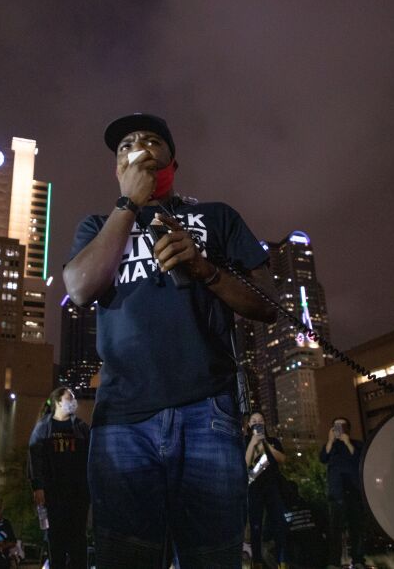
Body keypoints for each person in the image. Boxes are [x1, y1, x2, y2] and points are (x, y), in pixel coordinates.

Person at [63, 113, 279, 567]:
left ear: (172, 162)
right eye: (125, 145)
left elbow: (268, 303)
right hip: (123, 419)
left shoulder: (215, 217)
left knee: (210, 556)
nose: (138, 146)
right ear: (117, 168)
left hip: (209, 411)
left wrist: (206, 270)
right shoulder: (98, 226)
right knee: (126, 556)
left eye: (151, 140)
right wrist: (128, 204)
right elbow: (80, 288)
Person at [27, 386, 90, 568]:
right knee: (56, 539)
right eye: (69, 397)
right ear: (58, 402)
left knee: (78, 539)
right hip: (54, 493)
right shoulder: (43, 427)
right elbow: (34, 459)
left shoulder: (80, 427)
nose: (73, 401)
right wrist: (38, 486)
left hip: (78, 494)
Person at [319, 417, 364, 569]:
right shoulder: (331, 446)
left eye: (341, 425)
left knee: (356, 527)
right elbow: (323, 458)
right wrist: (330, 440)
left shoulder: (356, 444)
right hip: (335, 492)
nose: (338, 428)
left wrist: (347, 442)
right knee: (335, 530)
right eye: (335, 425)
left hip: (354, 491)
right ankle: (334, 562)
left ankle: (358, 560)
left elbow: (359, 459)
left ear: (347, 428)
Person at [244, 412, 287, 568]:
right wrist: (253, 443)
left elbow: (282, 459)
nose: (257, 423)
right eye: (254, 421)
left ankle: (282, 560)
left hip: (273, 486)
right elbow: (245, 463)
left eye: (260, 421)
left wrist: (266, 445)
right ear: (249, 425)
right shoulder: (245, 440)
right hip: (254, 488)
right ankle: (257, 561)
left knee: (279, 523)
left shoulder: (273, 441)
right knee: (256, 525)